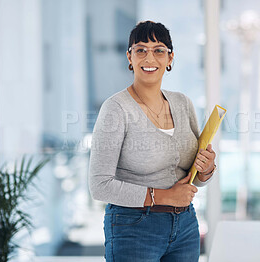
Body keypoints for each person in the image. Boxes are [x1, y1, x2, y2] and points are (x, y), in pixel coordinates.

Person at [88, 21, 217, 262]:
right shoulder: (116, 109)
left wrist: (207, 168)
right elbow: (99, 185)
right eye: (141, 50)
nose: (150, 58)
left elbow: (194, 177)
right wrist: (165, 197)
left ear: (170, 58)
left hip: (186, 226)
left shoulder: (183, 103)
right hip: (134, 228)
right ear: (130, 57)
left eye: (159, 50)